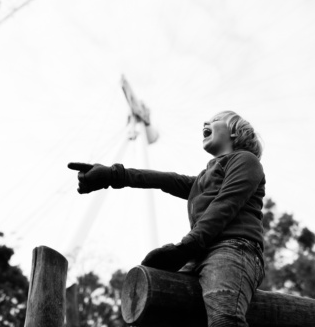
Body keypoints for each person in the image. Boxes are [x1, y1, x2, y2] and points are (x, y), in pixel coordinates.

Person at [68, 110, 265, 327]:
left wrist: (186, 246)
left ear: (235, 133)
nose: (205, 122)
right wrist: (113, 175)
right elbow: (166, 179)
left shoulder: (246, 161)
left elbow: (225, 204)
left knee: (224, 318)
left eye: (215, 120)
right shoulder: (204, 178)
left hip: (234, 249)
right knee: (163, 310)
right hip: (200, 253)